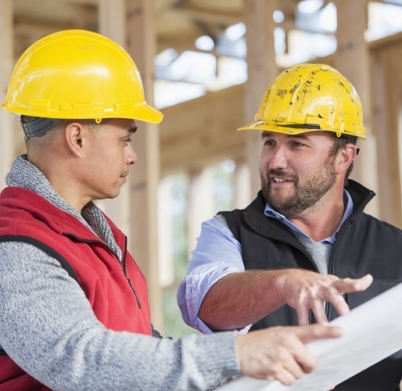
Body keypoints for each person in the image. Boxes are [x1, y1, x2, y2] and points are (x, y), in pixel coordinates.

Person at [0, 30, 345, 391]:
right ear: (78, 138)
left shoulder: (88, 237)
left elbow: (137, 349)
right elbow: (81, 359)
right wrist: (235, 353)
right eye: (126, 139)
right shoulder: (18, 245)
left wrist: (244, 372)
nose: (131, 155)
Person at [178, 63, 402, 390]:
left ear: (344, 157)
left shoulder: (395, 249)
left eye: (297, 144)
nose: (276, 161)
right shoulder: (228, 231)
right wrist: (284, 283)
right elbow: (206, 303)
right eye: (270, 142)